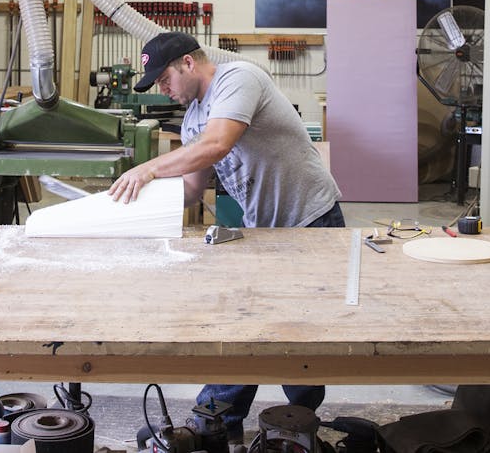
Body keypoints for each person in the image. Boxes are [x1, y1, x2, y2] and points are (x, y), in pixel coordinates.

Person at [108, 31, 343, 441]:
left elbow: (218, 145)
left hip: (311, 221)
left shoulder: (237, 78)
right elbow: (192, 189)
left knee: (300, 332)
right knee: (241, 328)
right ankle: (218, 425)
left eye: (165, 79)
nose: (163, 91)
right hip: (264, 231)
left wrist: (146, 169)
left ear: (188, 63)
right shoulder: (192, 121)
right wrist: (132, 210)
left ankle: (297, 423)